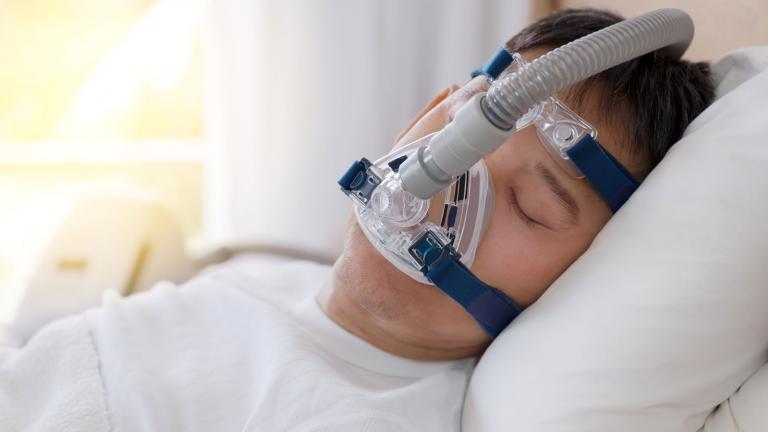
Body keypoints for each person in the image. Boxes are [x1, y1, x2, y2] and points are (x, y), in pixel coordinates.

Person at [0, 8, 714, 432]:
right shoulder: (271, 281)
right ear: (423, 112)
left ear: (584, 276)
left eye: (531, 206)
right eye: (464, 122)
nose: (443, 181)